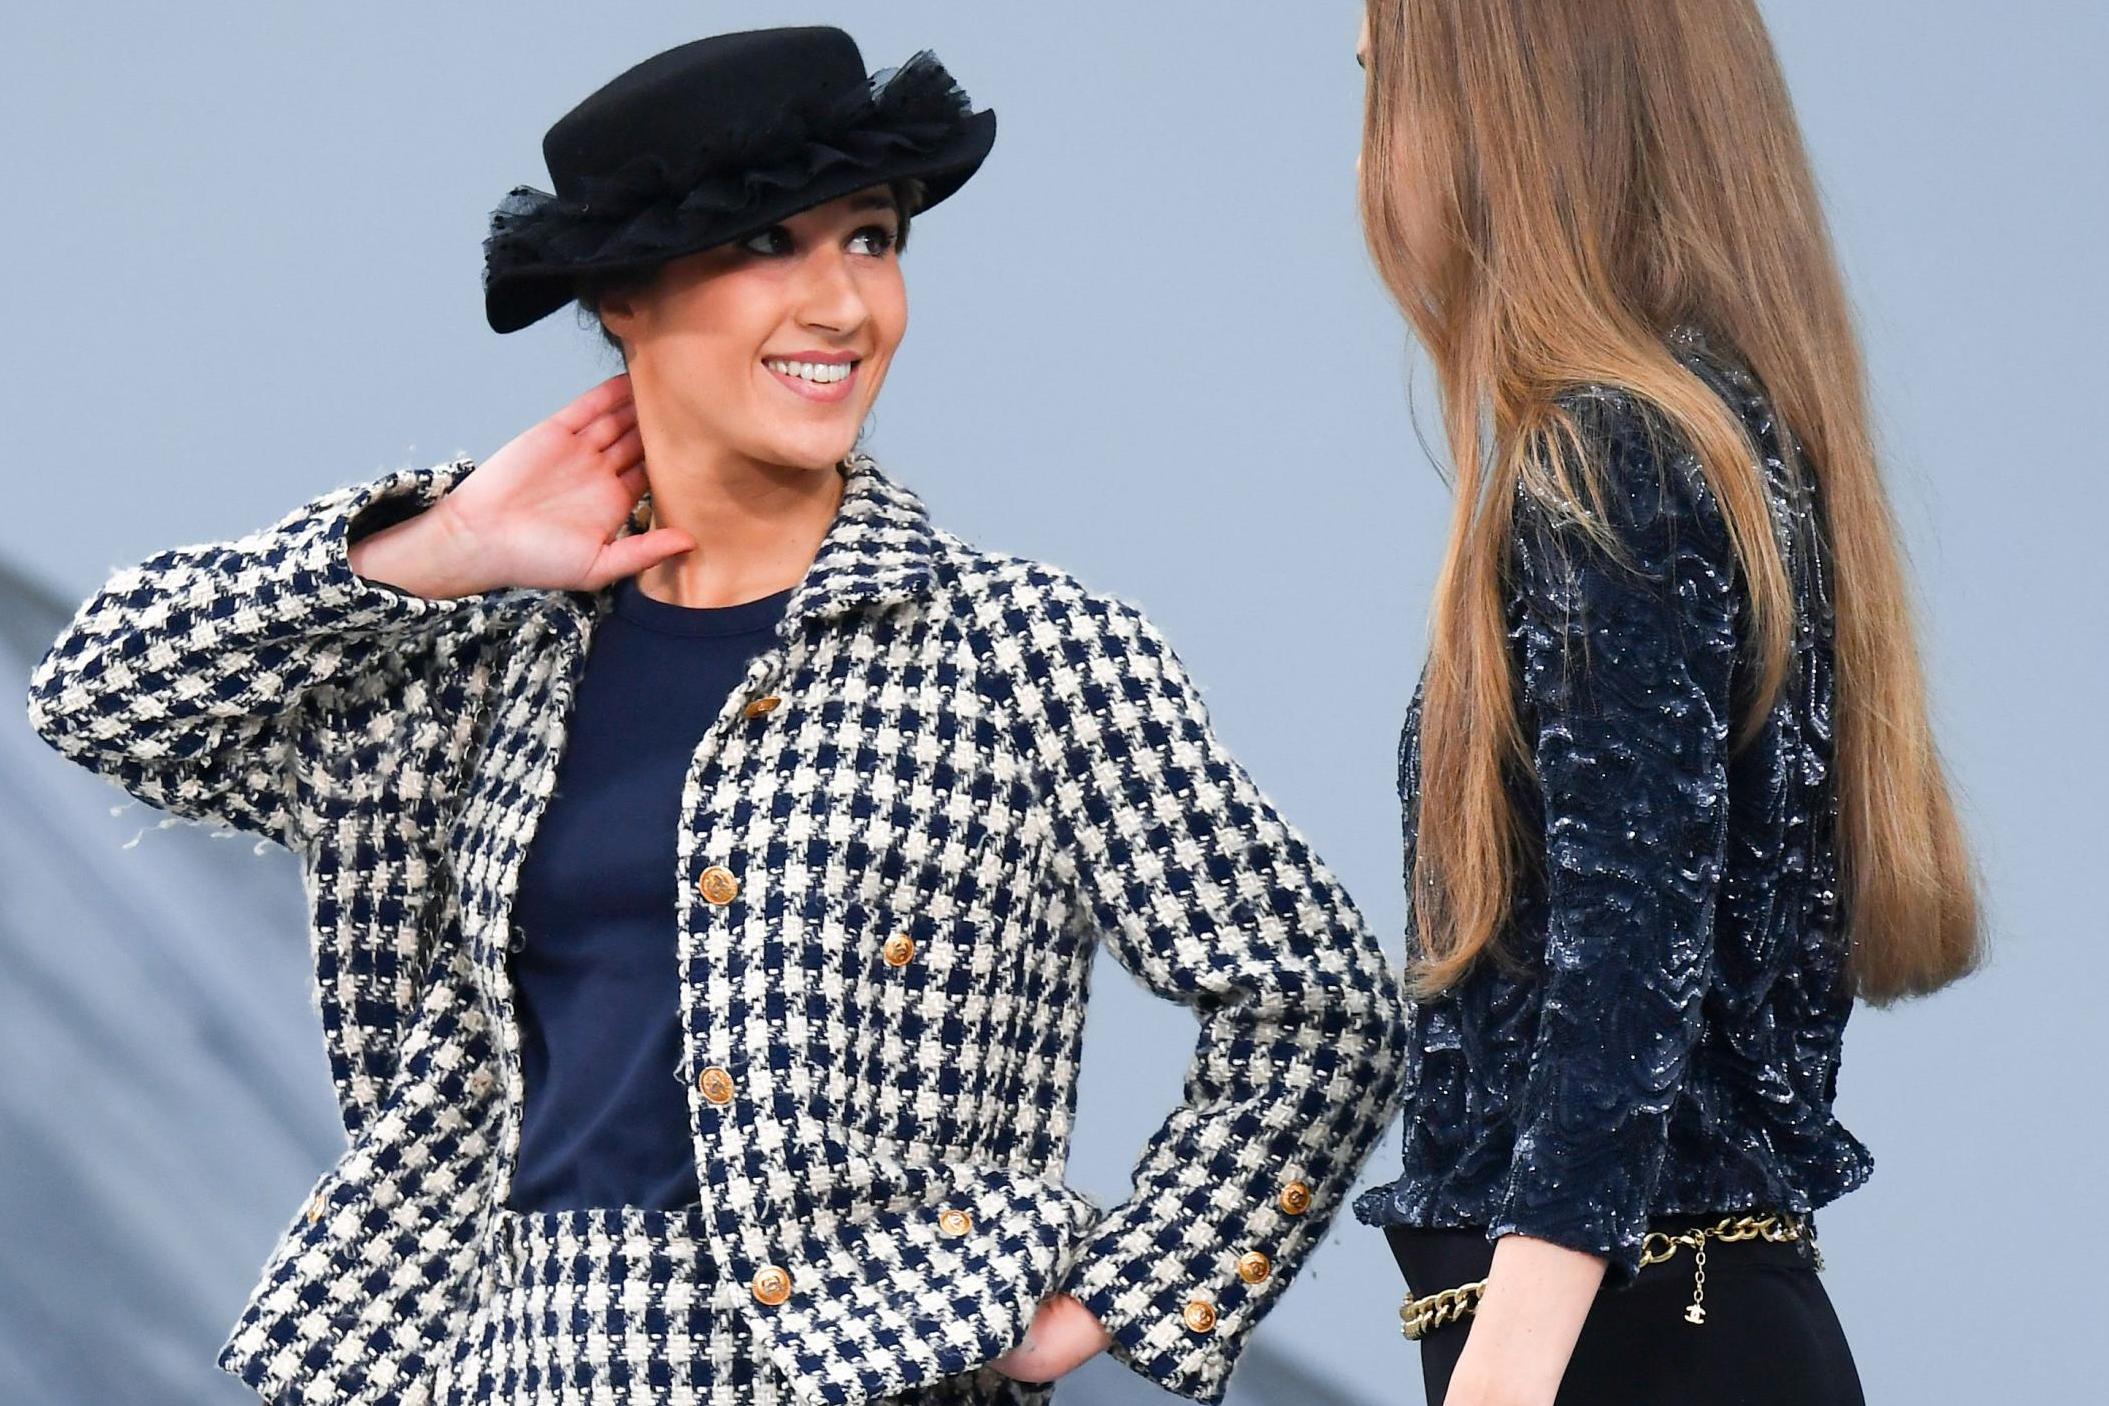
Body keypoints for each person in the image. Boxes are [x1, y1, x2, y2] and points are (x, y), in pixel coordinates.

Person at [26, 27, 1405, 1406]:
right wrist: (440, 544)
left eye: (871, 239)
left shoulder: (1024, 653)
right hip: (508, 1363)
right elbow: (106, 698)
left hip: (873, 1377)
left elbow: (1318, 1002)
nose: (842, 304)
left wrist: (1124, 1289)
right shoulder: (470, 666)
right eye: (765, 246)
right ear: (621, 297)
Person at [1343, 3, 1984, 1404]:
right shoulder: (1711, 432)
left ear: (1504, 113)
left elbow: (1625, 979)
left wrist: (1501, 1379)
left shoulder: (1612, 449)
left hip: (1617, 1349)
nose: (1368, 151)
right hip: (1683, 1331)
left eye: (1383, 80)